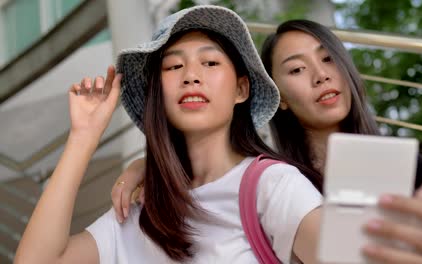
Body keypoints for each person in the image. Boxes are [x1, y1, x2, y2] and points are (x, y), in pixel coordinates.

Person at [113, 18, 422, 263]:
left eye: (329, 59)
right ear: (278, 95)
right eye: (297, 69)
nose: (321, 75)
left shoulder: (392, 164)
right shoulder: (273, 180)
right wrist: (144, 165)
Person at [15, 6, 327, 264]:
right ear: (158, 96)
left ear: (241, 89)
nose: (191, 76)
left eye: (210, 62)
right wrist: (83, 137)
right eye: (174, 66)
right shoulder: (137, 211)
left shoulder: (273, 186)